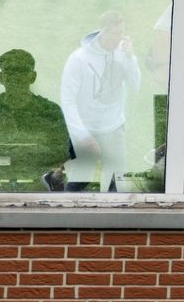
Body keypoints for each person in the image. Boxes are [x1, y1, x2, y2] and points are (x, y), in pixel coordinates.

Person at [59, 11, 142, 190]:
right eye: (115, 34)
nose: (119, 39)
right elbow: (67, 100)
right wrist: (82, 135)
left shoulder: (123, 54)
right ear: (103, 31)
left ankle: (115, 211)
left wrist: (130, 59)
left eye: (122, 33)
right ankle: (57, 185)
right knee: (80, 180)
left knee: (118, 183)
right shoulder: (78, 59)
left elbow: (135, 86)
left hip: (114, 128)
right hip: (86, 129)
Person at [0, 49, 71, 185]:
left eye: (22, 71)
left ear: (33, 77)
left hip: (39, 184)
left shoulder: (50, 111)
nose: (16, 77)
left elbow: (62, 153)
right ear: (0, 77)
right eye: (10, 71)